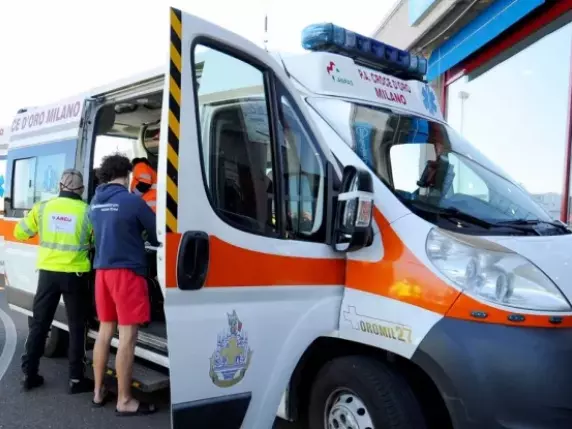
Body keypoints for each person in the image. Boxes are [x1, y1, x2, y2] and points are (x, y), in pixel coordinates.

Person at [89, 153, 159, 415]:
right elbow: (156, 233)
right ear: (127, 175)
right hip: (127, 273)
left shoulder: (95, 202)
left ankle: (97, 392)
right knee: (127, 337)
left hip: (102, 272)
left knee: (105, 331)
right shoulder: (132, 201)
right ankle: (125, 400)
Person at [15, 169, 94, 394]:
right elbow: (95, 240)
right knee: (77, 327)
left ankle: (29, 375)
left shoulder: (43, 208)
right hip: (75, 275)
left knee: (40, 323)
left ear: (60, 186)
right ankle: (76, 380)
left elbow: (21, 233)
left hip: (48, 274)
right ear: (81, 190)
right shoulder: (87, 211)